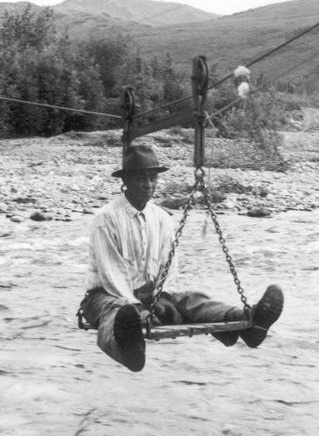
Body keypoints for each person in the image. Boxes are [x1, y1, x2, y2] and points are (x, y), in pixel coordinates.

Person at [79, 141, 284, 373]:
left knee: (191, 300)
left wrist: (164, 297)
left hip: (148, 296)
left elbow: (168, 266)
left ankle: (249, 322)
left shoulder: (162, 218)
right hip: (106, 295)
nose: (148, 185)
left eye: (152, 179)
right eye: (140, 179)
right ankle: (127, 348)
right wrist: (137, 308)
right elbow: (111, 275)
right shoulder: (106, 219)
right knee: (116, 311)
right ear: (125, 182)